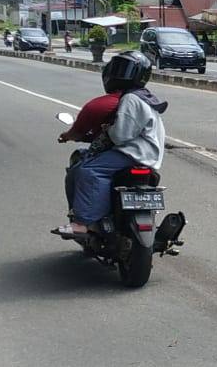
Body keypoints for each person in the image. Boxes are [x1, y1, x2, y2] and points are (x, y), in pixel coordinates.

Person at [62, 51, 167, 234]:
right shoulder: (145, 97)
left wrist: (106, 130)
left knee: (89, 170)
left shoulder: (130, 98)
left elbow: (120, 135)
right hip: (148, 156)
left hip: (131, 154)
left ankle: (84, 222)